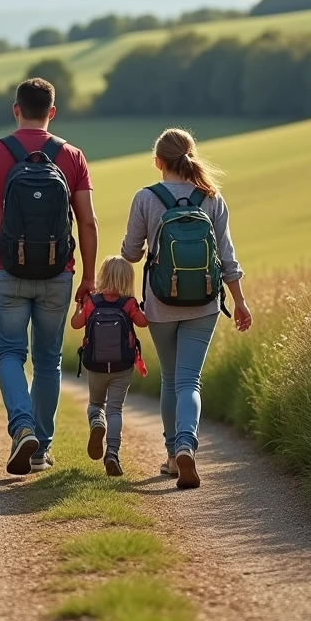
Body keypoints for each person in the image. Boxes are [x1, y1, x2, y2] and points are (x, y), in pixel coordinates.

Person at [0, 78, 98, 475]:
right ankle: (39, 449)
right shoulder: (72, 156)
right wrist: (87, 276)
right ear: (52, 112)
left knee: (10, 354)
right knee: (48, 361)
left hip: (6, 270)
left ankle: (22, 427)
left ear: (15, 109)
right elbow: (87, 222)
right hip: (58, 272)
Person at [121, 128, 252, 489]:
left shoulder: (146, 198)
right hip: (206, 302)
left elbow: (131, 253)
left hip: (161, 303)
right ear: (190, 155)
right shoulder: (212, 198)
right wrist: (239, 301)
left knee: (170, 380)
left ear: (158, 161)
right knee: (189, 380)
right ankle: (186, 446)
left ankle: (170, 456)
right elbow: (227, 257)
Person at [71, 255, 148, 477]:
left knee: (96, 403)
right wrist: (143, 306)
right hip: (122, 366)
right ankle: (112, 453)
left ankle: (97, 421)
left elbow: (76, 324)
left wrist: (79, 306)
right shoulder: (129, 304)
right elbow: (143, 322)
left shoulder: (92, 302)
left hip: (95, 365)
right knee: (115, 409)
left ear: (102, 276)